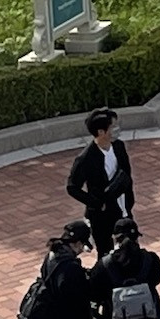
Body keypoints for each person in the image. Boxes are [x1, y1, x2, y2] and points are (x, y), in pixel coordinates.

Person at [62, 108, 138, 256]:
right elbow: (72, 187)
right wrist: (97, 203)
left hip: (124, 209)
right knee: (106, 254)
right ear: (101, 132)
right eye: (112, 127)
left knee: (130, 250)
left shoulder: (119, 147)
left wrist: (129, 200)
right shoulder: (86, 158)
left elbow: (127, 174)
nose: (116, 130)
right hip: (102, 217)